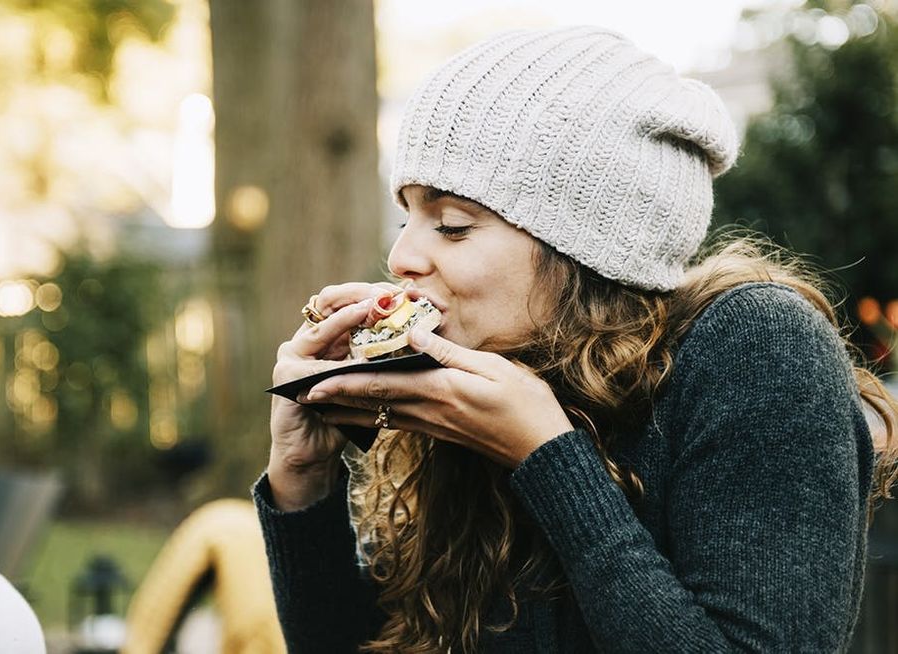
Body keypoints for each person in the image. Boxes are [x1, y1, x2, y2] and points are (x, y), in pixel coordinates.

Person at [253, 26, 898, 653]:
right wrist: (301, 478)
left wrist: (545, 456)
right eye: (407, 215)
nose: (400, 257)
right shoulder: (485, 379)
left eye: (452, 225)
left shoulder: (754, 347)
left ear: (585, 249)